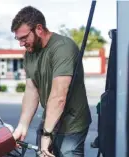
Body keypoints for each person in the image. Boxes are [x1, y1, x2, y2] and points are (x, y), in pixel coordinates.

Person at [11, 6, 92, 157]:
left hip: (71, 125)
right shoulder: (30, 53)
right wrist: (22, 126)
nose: (21, 43)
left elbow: (59, 96)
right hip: (49, 121)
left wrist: (46, 135)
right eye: (18, 38)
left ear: (39, 29)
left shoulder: (63, 48)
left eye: (24, 38)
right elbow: (31, 91)